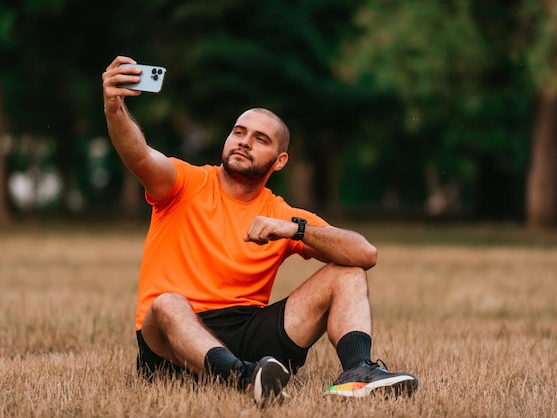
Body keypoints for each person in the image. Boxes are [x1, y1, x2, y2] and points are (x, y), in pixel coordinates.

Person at [102, 56, 418, 406]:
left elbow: (365, 254)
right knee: (166, 304)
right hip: (173, 342)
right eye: (238, 132)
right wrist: (115, 108)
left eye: (260, 138)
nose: (244, 141)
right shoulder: (184, 182)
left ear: (280, 160)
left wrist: (294, 230)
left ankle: (358, 373)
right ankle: (242, 376)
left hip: (249, 331)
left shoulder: (281, 213)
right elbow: (139, 156)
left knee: (347, 272)